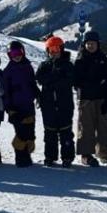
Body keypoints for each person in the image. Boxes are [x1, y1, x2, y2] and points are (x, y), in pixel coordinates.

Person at [74, 29, 107, 167]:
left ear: (98, 44)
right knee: (86, 127)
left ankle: (105, 153)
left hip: (101, 98)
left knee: (104, 127)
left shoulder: (102, 58)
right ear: (84, 44)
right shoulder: (80, 59)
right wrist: (90, 85)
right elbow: (76, 80)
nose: (91, 46)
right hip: (86, 99)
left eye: (93, 43)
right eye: (88, 43)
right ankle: (86, 154)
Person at [36, 35, 76, 166]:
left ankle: (67, 157)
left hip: (65, 105)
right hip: (48, 105)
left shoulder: (68, 65)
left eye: (57, 49)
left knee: (66, 132)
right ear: (47, 51)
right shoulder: (44, 65)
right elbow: (39, 78)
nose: (54, 52)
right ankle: (50, 156)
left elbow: (70, 81)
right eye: (51, 50)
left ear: (62, 49)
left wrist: (53, 80)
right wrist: (55, 76)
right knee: (50, 132)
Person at [2, 40, 39, 167]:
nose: (16, 56)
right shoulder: (8, 71)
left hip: (28, 105)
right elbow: (5, 92)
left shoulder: (28, 67)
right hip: (16, 107)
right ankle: (20, 157)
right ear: (9, 55)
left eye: (19, 53)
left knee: (30, 133)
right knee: (21, 133)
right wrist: (9, 108)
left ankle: (27, 155)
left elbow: (32, 83)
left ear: (23, 52)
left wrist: (37, 93)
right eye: (13, 54)